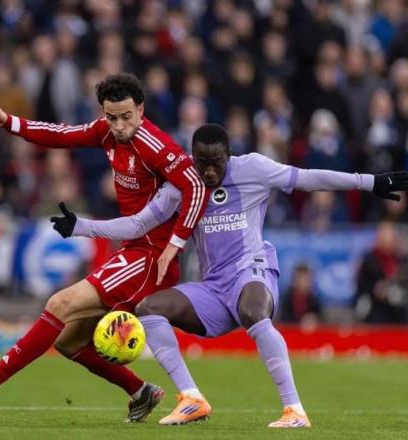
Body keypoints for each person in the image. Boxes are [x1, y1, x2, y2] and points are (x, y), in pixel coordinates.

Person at [54, 124, 408, 427]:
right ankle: (191, 397)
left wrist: (368, 182)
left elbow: (307, 179)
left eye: (216, 163)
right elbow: (138, 224)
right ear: (192, 157)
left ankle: (294, 410)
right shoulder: (182, 183)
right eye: (202, 163)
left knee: (253, 311)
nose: (209, 172)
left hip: (252, 271)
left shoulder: (254, 168)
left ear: (230, 155)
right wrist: (81, 226)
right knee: (149, 308)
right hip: (214, 288)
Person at [0, 73, 209, 423]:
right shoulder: (106, 131)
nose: (118, 126)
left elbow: (196, 185)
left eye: (126, 117)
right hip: (133, 250)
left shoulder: (155, 145)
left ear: (141, 109)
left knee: (60, 303)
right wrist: (8, 121)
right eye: (111, 117)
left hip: (149, 258)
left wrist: (175, 244)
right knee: (68, 342)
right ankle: (140, 392)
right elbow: (60, 135)